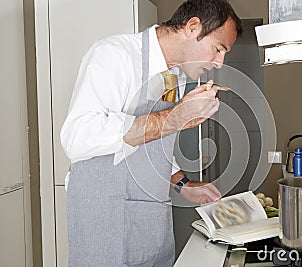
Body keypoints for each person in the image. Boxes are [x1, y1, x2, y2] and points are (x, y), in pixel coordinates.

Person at [60, 0, 243, 266]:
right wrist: (174, 117)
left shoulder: (174, 76)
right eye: (218, 49)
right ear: (193, 27)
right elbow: (77, 136)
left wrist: (182, 184)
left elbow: (153, 144)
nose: (219, 63)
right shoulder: (115, 55)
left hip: (151, 223)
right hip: (106, 223)